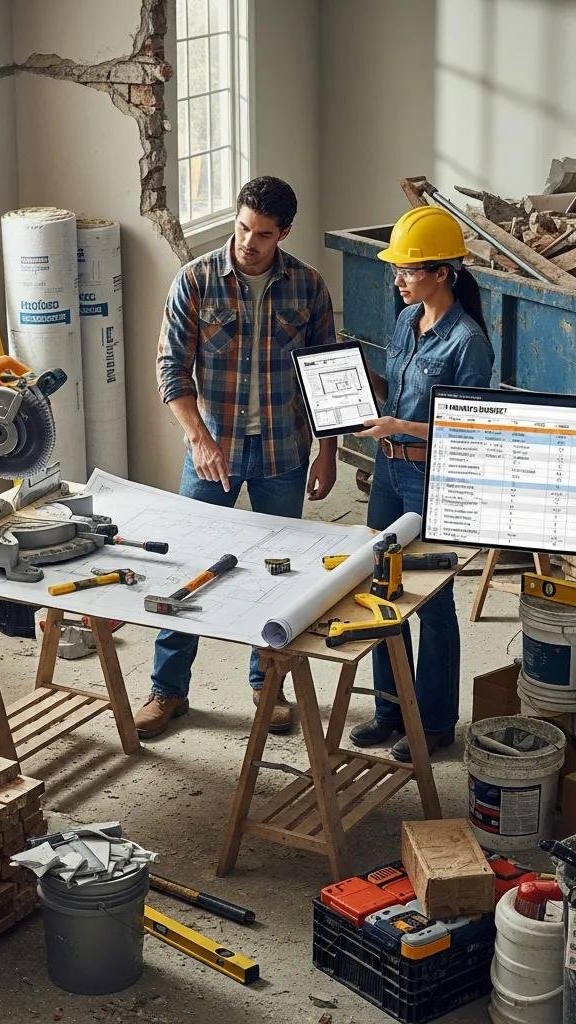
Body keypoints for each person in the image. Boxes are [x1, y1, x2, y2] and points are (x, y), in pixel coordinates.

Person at [143, 176, 338, 740]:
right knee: (189, 567)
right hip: (214, 452)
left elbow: (328, 379)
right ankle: (168, 690)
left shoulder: (307, 287)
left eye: (264, 234)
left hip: (283, 451)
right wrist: (200, 439)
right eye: (243, 228)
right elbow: (170, 369)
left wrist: (327, 456)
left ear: (285, 234)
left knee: (279, 575)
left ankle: (268, 688)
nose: (249, 243)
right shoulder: (196, 281)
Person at [349, 205, 494, 762]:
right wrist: (354, 381)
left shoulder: (467, 342)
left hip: (430, 477)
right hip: (388, 470)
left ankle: (433, 724)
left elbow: (469, 430)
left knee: (431, 601)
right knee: (380, 589)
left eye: (408, 271)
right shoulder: (407, 321)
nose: (398, 279)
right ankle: (391, 711)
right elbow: (398, 387)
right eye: (398, 270)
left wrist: (401, 425)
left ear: (441, 272)